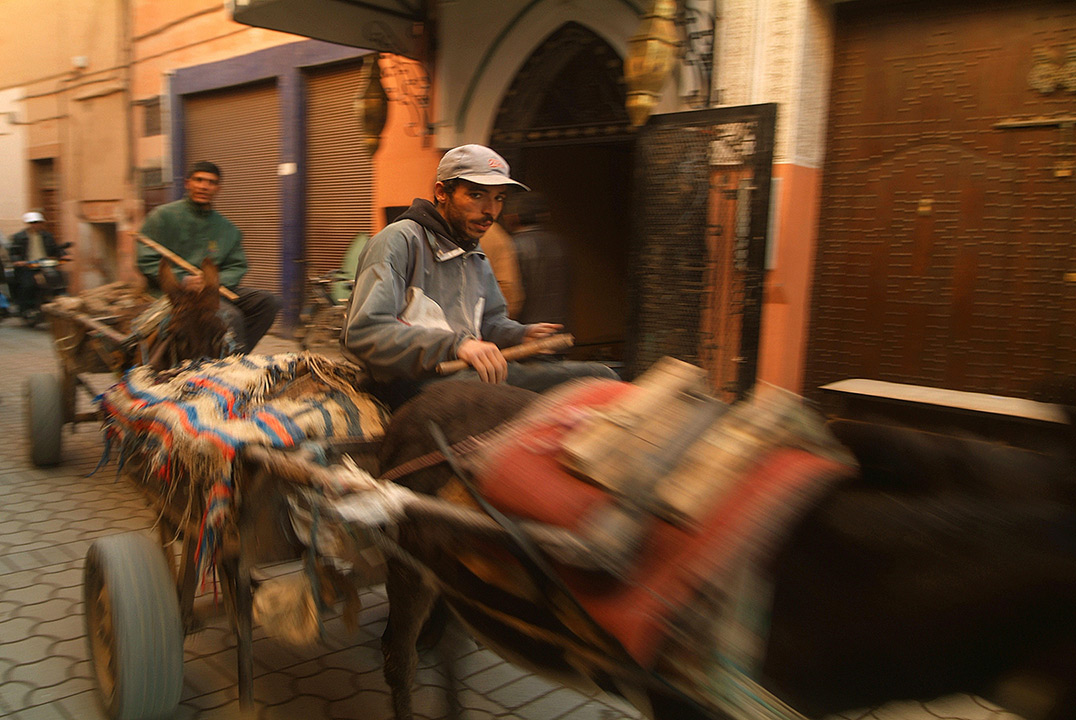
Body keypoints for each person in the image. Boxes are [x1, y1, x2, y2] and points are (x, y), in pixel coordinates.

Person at [342, 144, 617, 409]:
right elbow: (365, 332)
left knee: (599, 377)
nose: (490, 211)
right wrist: (456, 345)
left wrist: (519, 335)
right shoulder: (399, 241)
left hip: (467, 376)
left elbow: (489, 322)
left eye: (499, 198)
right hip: (409, 383)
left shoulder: (474, 253)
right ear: (441, 192)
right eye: (476, 195)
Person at [137, 161, 280, 354]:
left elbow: (236, 266)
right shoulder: (162, 217)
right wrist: (182, 279)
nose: (204, 186)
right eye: (199, 180)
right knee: (231, 316)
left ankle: (235, 354)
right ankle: (229, 364)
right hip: (174, 293)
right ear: (187, 183)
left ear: (218, 188)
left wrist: (211, 283)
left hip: (214, 292)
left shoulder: (227, 228)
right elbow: (146, 260)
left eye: (211, 182)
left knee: (269, 302)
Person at [502, 191, 571, 328]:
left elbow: (511, 297)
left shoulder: (510, 247)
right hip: (559, 328)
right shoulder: (560, 244)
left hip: (525, 332)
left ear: (513, 217)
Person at [8, 212, 65, 316]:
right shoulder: (19, 237)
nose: (35, 225)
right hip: (28, 266)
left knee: (57, 282)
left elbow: (55, 248)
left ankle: (53, 304)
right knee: (28, 285)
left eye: (38, 222)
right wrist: (18, 261)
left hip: (44, 264)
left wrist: (62, 255)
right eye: (33, 223)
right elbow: (14, 252)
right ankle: (26, 308)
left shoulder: (47, 236)